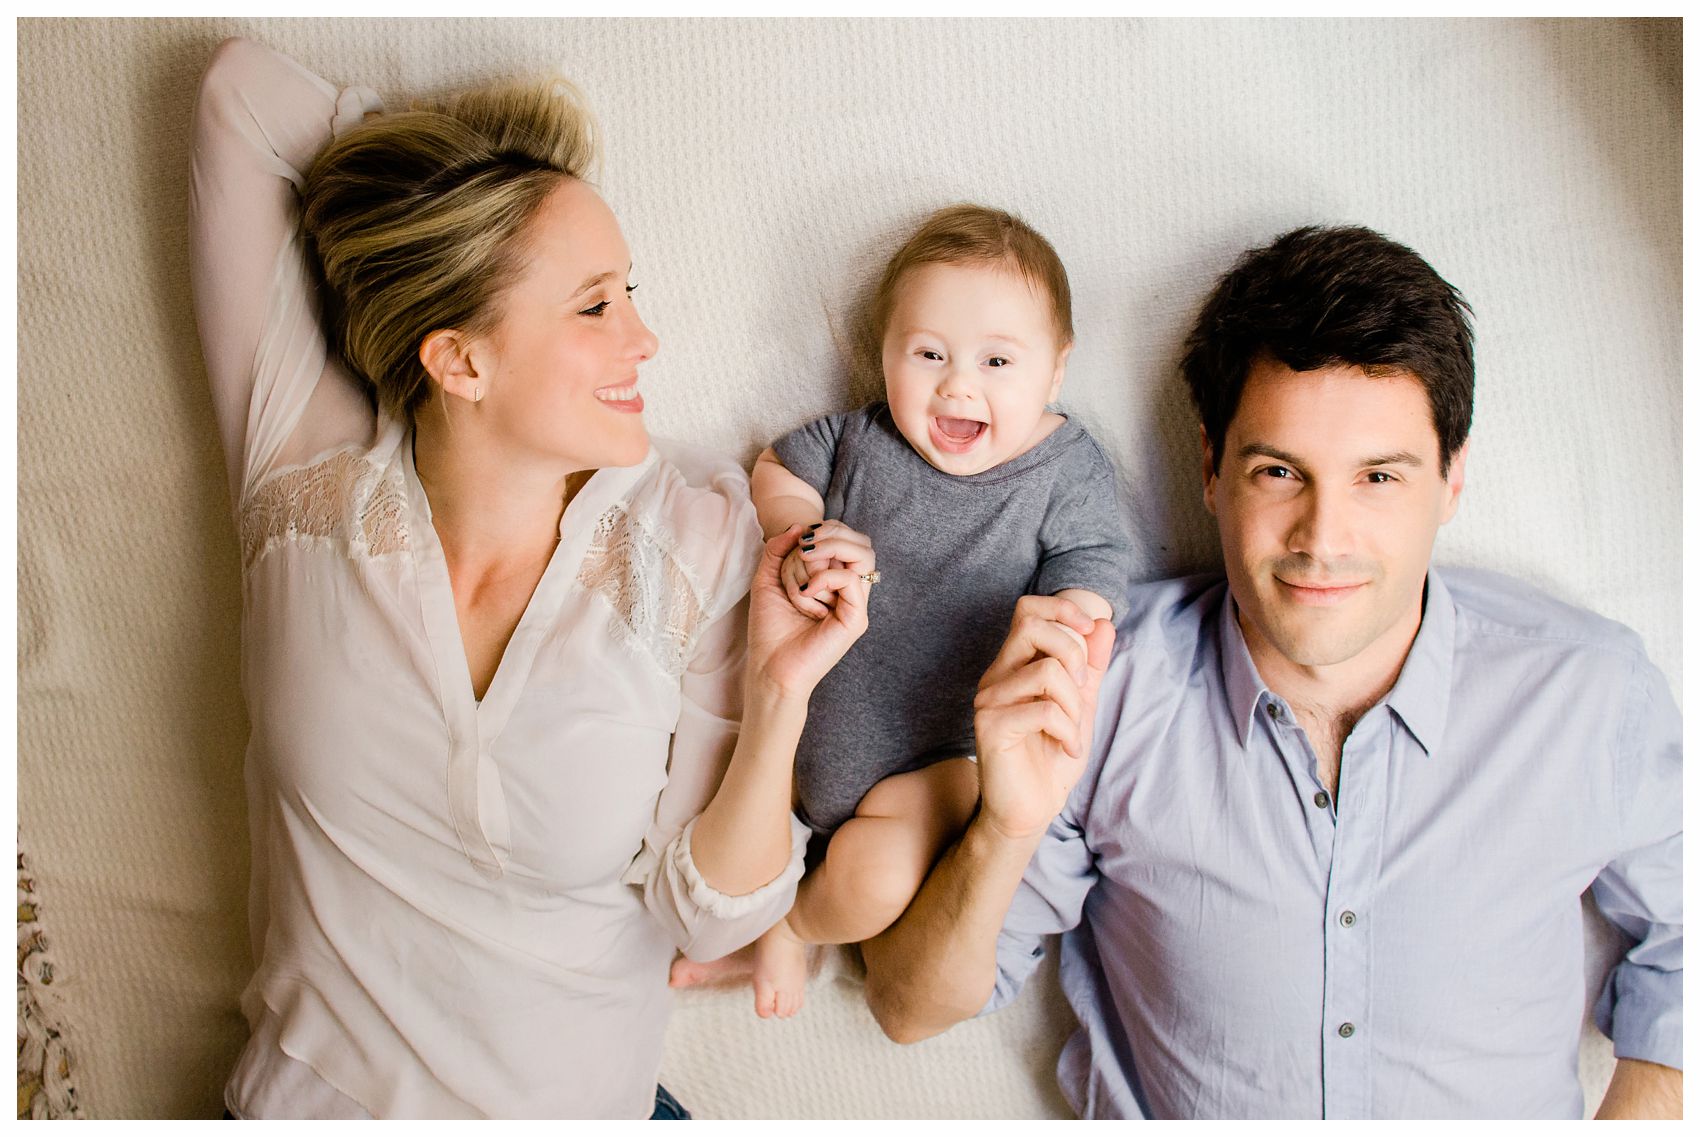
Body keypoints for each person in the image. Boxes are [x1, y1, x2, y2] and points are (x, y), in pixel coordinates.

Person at [862, 226, 1683, 1119]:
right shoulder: (1102, 682)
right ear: (1213, 470)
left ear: (1451, 480)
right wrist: (1005, 830)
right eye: (1281, 471)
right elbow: (907, 1008)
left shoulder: (1587, 692)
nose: (1322, 538)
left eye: (1378, 476)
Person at [190, 38, 867, 1119]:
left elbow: (714, 919)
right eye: (593, 306)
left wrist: (779, 696)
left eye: (628, 294)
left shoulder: (685, 547)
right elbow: (240, 97)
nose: (643, 338)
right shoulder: (301, 486)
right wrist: (450, 211)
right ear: (458, 360)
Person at [669, 205, 1133, 1018]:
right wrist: (800, 529)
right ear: (883, 355)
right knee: (707, 812)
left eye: (997, 360)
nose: (959, 384)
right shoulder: (862, 437)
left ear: (1054, 371)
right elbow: (779, 466)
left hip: (933, 761)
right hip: (797, 734)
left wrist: (1070, 615)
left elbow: (1096, 564)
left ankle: (796, 925)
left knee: (878, 880)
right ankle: (753, 905)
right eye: (928, 354)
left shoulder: (1065, 470)